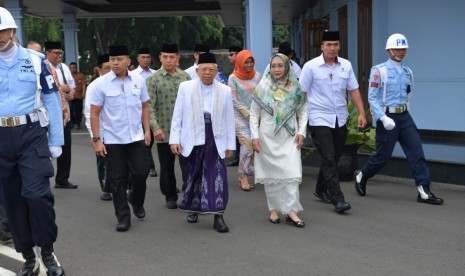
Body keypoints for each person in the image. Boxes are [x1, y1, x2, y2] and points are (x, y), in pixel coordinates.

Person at [0, 7, 66, 275]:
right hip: (1, 138)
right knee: (11, 201)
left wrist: (57, 140)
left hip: (32, 134)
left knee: (37, 195)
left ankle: (47, 251)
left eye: (2, 30)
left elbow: (51, 98)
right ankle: (27, 256)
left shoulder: (36, 60)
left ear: (13, 31)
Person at [354, 33, 443, 205]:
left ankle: (424, 189)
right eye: (397, 49)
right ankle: (362, 175)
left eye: (403, 49)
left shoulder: (407, 71)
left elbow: (409, 92)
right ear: (389, 50)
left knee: (416, 151)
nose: (401, 52)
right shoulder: (379, 71)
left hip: (404, 116)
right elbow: (372, 98)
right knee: (383, 155)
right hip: (387, 117)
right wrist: (382, 117)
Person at [299, 31, 367, 214]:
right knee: (328, 157)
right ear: (322, 47)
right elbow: (302, 94)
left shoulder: (346, 65)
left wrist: (361, 112)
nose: (332, 48)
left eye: (335, 44)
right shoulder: (310, 67)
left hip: (340, 118)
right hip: (318, 117)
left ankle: (320, 188)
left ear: (339, 46)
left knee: (335, 157)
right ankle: (338, 199)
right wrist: (300, 121)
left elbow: (353, 89)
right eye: (328, 45)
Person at [170, 52, 235, 233]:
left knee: (217, 176)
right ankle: (193, 209)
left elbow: (230, 118)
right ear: (197, 70)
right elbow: (178, 116)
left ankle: (218, 216)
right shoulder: (186, 87)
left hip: (216, 136)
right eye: (204, 69)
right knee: (195, 173)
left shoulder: (225, 90)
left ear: (216, 71)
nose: (207, 73)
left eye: (211, 70)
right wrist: (174, 139)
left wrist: (231, 145)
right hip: (192, 135)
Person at [90, 45, 151, 232]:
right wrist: (97, 139)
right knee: (117, 180)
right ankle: (123, 217)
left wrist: (147, 130)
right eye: (112, 59)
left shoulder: (138, 80)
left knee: (141, 173)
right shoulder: (101, 84)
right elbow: (94, 113)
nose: (115, 62)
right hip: (113, 139)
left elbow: (145, 106)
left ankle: (136, 200)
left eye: (119, 59)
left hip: (136, 137)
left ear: (128, 61)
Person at [250, 53, 308, 227]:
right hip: (267, 136)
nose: (276, 69)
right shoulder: (263, 86)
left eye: (280, 66)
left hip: (290, 137)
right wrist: (255, 136)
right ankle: (274, 209)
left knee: (291, 172)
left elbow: (303, 111)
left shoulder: (295, 87)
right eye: (273, 66)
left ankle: (291, 211)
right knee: (271, 174)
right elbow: (254, 113)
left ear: (287, 67)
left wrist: (302, 132)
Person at [147, 42, 190, 209]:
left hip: (185, 131)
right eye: (165, 57)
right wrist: (155, 127)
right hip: (163, 130)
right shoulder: (153, 79)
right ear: (160, 58)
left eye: (172, 57)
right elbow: (149, 105)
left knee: (187, 164)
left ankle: (189, 192)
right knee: (166, 167)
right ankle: (170, 195)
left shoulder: (185, 77)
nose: (168, 60)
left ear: (177, 58)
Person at [45, 41, 78, 189]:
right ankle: (42, 179)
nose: (59, 56)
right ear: (47, 53)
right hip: (47, 114)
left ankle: (62, 178)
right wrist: (62, 88)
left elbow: (71, 88)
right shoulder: (43, 67)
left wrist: (70, 92)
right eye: (56, 53)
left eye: (61, 53)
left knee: (65, 146)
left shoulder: (64, 68)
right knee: (46, 147)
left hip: (64, 114)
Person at [228, 50, 262, 191]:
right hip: (240, 118)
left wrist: (258, 114)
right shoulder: (233, 78)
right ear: (240, 62)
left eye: (251, 62)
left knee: (256, 146)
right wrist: (248, 113)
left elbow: (262, 95)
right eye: (246, 62)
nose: (248, 65)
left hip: (257, 116)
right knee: (247, 144)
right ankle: (243, 176)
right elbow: (233, 99)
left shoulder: (258, 76)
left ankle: (250, 171)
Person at [84, 53, 112, 201]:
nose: (109, 70)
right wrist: (94, 136)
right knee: (103, 161)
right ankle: (106, 188)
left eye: (111, 67)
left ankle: (122, 186)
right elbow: (89, 113)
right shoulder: (94, 86)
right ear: (99, 70)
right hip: (100, 131)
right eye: (106, 68)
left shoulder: (120, 82)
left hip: (118, 132)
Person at [133, 47, 158, 177]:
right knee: (145, 140)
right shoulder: (132, 75)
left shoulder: (155, 73)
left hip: (154, 111)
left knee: (152, 139)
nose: (145, 60)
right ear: (137, 59)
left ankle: (147, 164)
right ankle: (150, 166)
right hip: (139, 111)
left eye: (148, 57)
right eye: (143, 57)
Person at [225, 45, 243, 167]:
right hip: (235, 107)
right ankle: (237, 157)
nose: (229, 57)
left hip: (245, 108)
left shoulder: (249, 72)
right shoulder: (233, 73)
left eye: (231, 54)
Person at [69, 61, 87, 129]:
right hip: (71, 95)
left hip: (79, 96)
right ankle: (72, 123)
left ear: (76, 68)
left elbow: (84, 84)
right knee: (71, 110)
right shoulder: (68, 75)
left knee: (78, 110)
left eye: (73, 68)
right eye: (71, 68)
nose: (72, 69)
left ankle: (78, 123)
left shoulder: (81, 75)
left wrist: (84, 92)